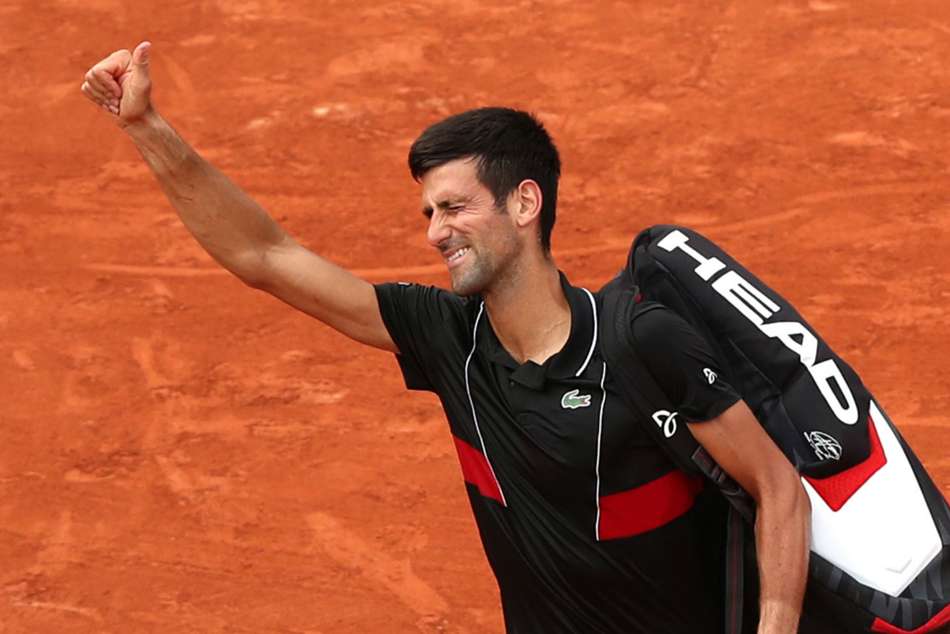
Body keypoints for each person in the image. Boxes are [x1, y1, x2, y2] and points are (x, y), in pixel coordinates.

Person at [81, 42, 812, 633]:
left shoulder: (642, 340)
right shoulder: (447, 338)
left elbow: (777, 488)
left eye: (455, 207)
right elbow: (265, 256)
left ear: (525, 202)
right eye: (429, 212)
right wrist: (147, 129)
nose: (435, 232)